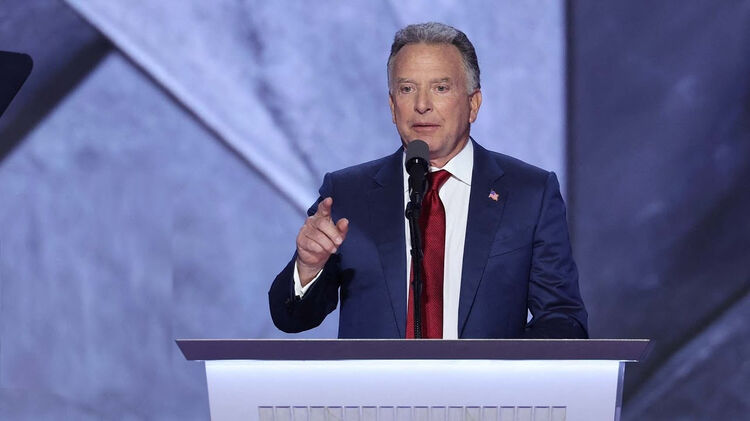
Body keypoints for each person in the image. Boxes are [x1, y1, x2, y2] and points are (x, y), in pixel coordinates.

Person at [268, 22, 588, 339]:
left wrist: (498, 368)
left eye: (440, 88)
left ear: (473, 104)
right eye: (407, 89)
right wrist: (308, 268)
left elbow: (563, 319)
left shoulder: (529, 194)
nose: (422, 105)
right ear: (392, 106)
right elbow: (291, 319)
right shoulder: (347, 194)